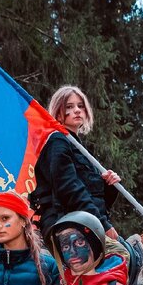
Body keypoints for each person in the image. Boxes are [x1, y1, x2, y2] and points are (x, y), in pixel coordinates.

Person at [31, 85, 123, 239]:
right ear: (58, 112)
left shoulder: (81, 150)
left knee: (129, 255)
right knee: (123, 255)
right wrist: (101, 224)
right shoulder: (57, 142)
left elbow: (98, 200)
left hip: (88, 224)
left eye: (81, 106)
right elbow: (69, 190)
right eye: (69, 106)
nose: (77, 110)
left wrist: (109, 185)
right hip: (69, 226)